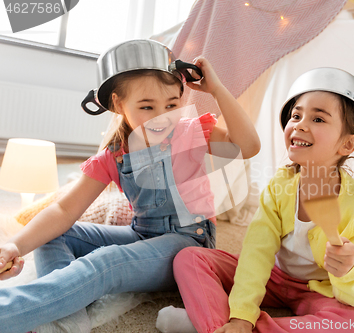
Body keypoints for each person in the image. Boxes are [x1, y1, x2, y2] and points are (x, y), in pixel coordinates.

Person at [0, 39, 260, 333]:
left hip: (188, 242)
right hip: (141, 235)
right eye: (147, 106)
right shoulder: (114, 154)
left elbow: (249, 145)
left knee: (106, 262)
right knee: (52, 234)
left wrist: (217, 90)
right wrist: (14, 245)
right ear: (118, 104)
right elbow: (62, 210)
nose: (162, 116)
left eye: (172, 105)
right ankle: (67, 321)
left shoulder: (193, 131)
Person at [157, 68, 354, 333]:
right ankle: (228, 326)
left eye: (318, 119)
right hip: (272, 278)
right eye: (296, 115)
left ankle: (211, 325)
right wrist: (241, 315)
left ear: (347, 145)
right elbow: (257, 252)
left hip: (320, 291)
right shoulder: (280, 186)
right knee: (189, 258)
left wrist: (351, 269)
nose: (299, 124)